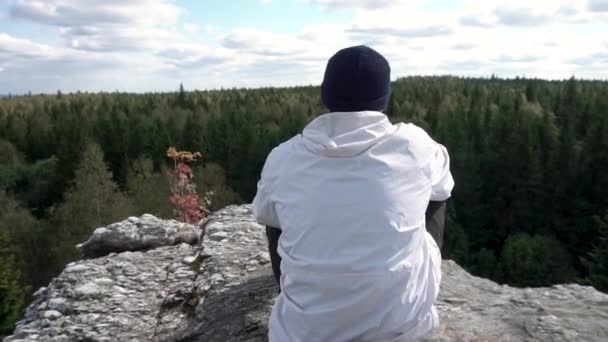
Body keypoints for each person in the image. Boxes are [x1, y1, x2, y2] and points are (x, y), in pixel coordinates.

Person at [252, 45, 454, 342]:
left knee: (275, 213)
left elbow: (264, 214)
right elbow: (444, 186)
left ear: (326, 94)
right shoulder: (414, 146)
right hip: (403, 332)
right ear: (384, 97)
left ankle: (297, 294)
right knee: (434, 194)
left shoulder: (284, 157)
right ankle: (405, 291)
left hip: (302, 334)